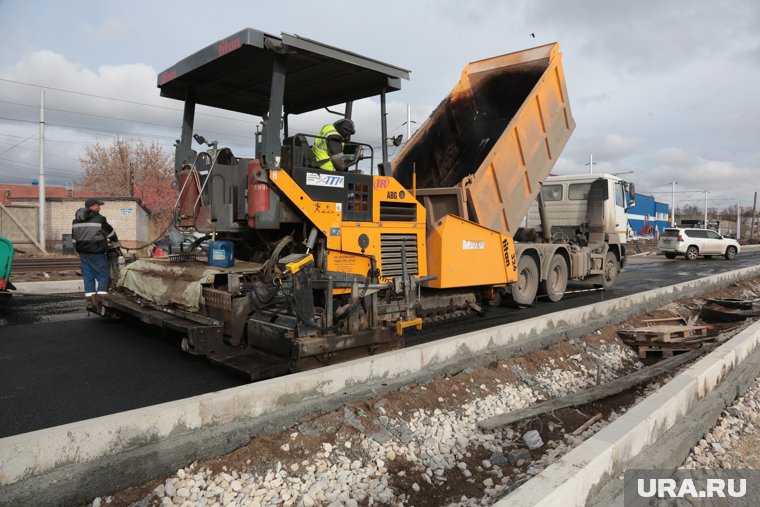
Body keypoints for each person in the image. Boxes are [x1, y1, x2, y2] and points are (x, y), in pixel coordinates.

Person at [72, 198, 119, 297]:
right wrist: (115, 242)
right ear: (93, 206)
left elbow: (73, 239)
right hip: (97, 253)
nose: (100, 207)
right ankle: (102, 298)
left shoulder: (76, 221)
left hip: (83, 254)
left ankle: (90, 299)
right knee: (103, 275)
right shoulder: (99, 219)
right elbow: (111, 234)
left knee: (88, 276)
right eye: (98, 205)